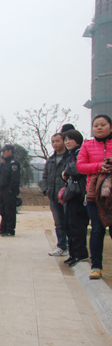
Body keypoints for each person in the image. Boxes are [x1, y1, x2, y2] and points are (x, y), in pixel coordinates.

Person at [77, 114, 112, 280]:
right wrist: (100, 166)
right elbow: (81, 167)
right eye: (96, 125)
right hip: (94, 195)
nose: (99, 127)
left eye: (103, 124)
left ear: (110, 127)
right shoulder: (87, 145)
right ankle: (96, 266)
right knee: (97, 230)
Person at [61, 129, 88, 266]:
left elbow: (79, 168)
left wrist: (66, 171)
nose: (67, 142)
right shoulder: (70, 155)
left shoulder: (81, 152)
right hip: (72, 194)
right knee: (69, 224)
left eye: (70, 139)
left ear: (77, 140)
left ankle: (81, 254)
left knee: (77, 225)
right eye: (65, 140)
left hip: (80, 194)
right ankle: (73, 253)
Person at [42, 133, 69, 256]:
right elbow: (45, 176)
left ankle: (73, 247)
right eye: (53, 141)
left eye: (58, 141)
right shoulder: (50, 160)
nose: (55, 144)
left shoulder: (69, 158)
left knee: (70, 221)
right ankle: (61, 246)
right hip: (53, 195)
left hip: (67, 196)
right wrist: (46, 189)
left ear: (64, 141)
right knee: (58, 222)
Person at [0, 144, 20, 237]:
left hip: (9, 191)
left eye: (4, 151)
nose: (3, 153)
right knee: (3, 211)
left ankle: (10, 229)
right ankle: (3, 228)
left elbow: (14, 178)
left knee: (9, 211)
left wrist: (10, 189)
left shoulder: (14, 163)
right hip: (3, 190)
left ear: (10, 151)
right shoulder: (5, 163)